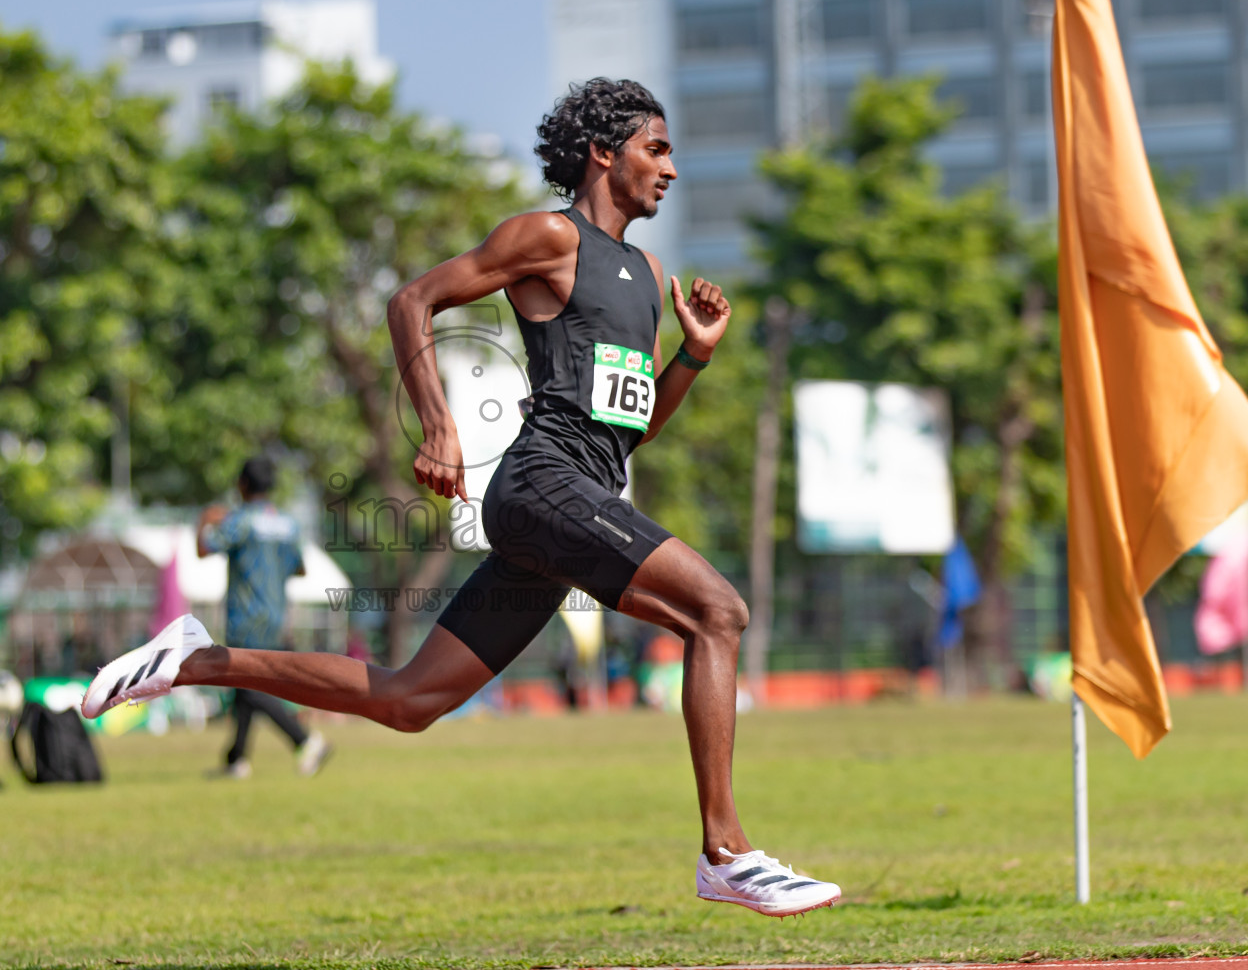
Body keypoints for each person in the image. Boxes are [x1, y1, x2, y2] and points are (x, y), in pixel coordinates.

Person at [84, 79, 841, 917]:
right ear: (604, 152)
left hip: (573, 496)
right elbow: (411, 300)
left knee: (410, 700)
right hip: (542, 485)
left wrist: (692, 358)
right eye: (655, 148)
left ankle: (193, 660)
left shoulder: (649, 273)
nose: (671, 167)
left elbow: (634, 427)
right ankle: (725, 851)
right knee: (719, 613)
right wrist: (440, 429)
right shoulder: (549, 237)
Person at [195, 456, 331, 779]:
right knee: (245, 686)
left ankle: (306, 740)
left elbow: (204, 548)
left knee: (249, 686)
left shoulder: (240, 521)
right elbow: (300, 568)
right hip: (275, 616)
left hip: (245, 616)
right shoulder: (287, 524)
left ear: (242, 485)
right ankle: (235, 760)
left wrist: (204, 519)